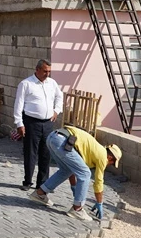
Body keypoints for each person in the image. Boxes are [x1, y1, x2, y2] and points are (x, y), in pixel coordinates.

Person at [28, 126, 122, 221]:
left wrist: (74, 186)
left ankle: (40, 193)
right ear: (110, 158)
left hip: (53, 137)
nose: (110, 165)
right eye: (112, 163)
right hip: (62, 141)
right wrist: (100, 202)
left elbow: (71, 168)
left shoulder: (93, 150)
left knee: (66, 170)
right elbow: (99, 182)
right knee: (86, 174)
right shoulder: (102, 156)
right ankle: (77, 209)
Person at [13, 59, 63, 191]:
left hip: (47, 123)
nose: (47, 74)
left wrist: (56, 110)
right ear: (37, 70)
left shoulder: (52, 83)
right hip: (31, 122)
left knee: (46, 153)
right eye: (45, 71)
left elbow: (59, 96)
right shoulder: (26, 84)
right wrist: (19, 123)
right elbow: (18, 104)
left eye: (49, 72)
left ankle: (42, 183)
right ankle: (27, 181)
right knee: (31, 152)